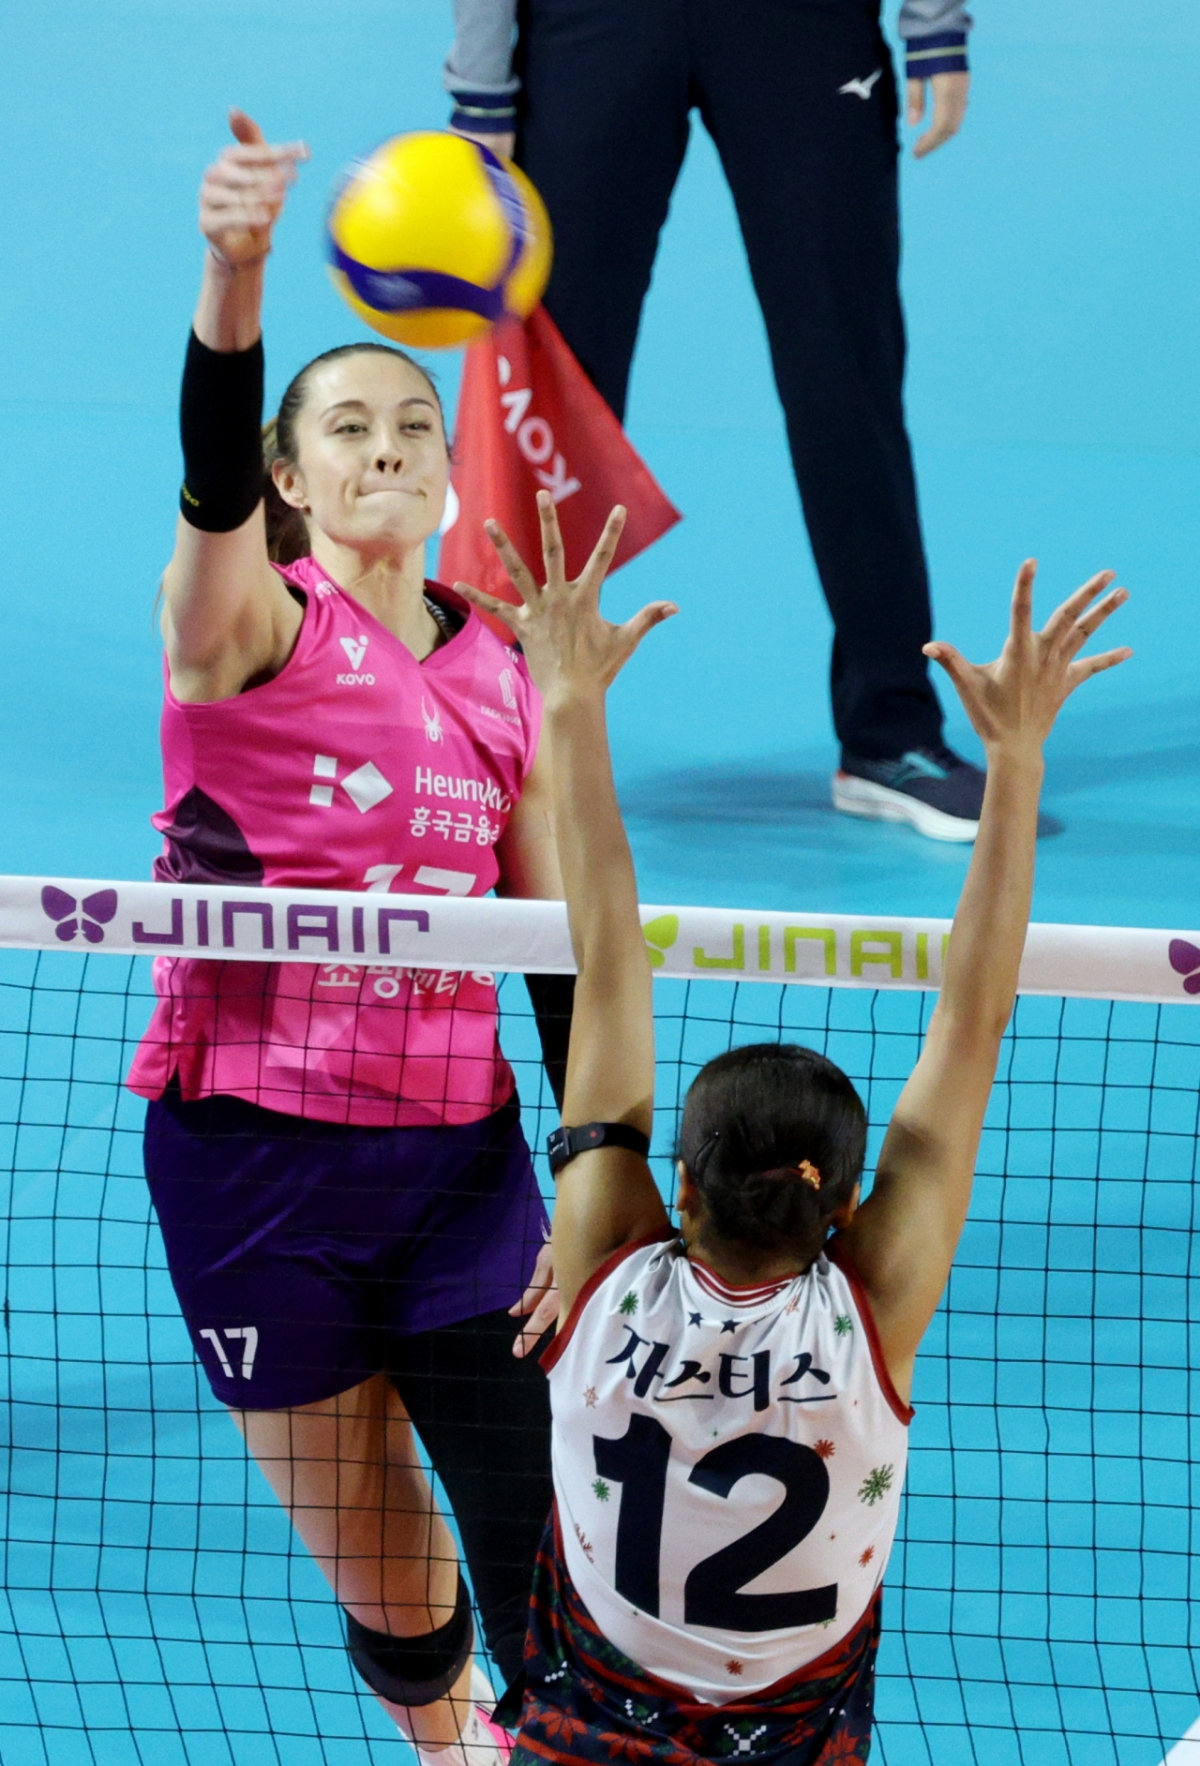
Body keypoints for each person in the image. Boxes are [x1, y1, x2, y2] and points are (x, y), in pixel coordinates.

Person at [454, 493, 1129, 1761]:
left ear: (680, 1189)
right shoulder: (873, 1307)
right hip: (795, 1741)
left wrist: (570, 698)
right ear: (847, 1201)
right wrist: (1017, 759)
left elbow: (606, 957)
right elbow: (974, 1016)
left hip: (586, 1730)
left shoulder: (606, 1264)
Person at [126, 110, 568, 1765]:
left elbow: (555, 942)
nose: (390, 444)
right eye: (348, 428)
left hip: (463, 1171)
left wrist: (594, 1167)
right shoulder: (241, 631)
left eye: (416, 423)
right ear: (291, 483)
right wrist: (234, 274)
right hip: (256, 1169)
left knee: (543, 1571)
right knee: (399, 1593)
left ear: (449, 473)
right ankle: (449, 1748)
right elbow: (206, 473)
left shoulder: (507, 672)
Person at [444, 0, 991, 842]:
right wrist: (481, 84)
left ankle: (892, 730)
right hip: (593, 26)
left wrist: (934, 23)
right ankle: (502, 732)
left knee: (846, 377)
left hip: (801, 27)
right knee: (547, 387)